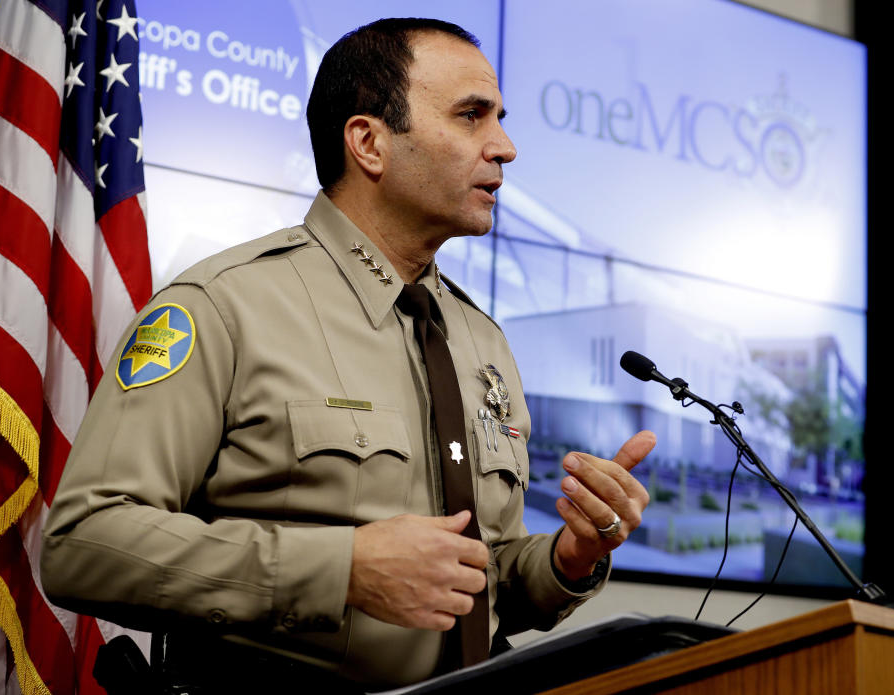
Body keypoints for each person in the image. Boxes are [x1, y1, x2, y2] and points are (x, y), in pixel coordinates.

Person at [41, 17, 655, 691]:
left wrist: (567, 559)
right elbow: (81, 543)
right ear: (368, 142)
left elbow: (483, 574)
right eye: (471, 116)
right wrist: (341, 568)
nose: (504, 147)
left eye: (498, 119)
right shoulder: (221, 307)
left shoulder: (483, 341)